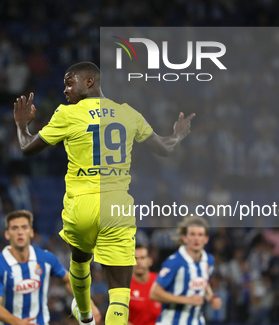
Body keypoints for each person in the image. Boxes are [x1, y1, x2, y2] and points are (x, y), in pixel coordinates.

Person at [14, 62, 195, 325]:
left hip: (82, 204)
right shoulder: (128, 113)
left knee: (80, 257)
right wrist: (177, 136)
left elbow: (28, 148)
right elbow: (165, 148)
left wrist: (21, 125)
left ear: (89, 82)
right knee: (120, 292)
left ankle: (85, 315)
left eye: (69, 82)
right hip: (117, 206)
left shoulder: (67, 114)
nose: (65, 90)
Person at [0, 210, 100, 325]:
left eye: (24, 227)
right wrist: (17, 322)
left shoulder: (46, 258)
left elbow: (69, 280)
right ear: (7, 234)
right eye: (15, 228)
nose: (20, 232)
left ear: (31, 232)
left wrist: (87, 304)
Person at [150, 217, 222, 325]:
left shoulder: (209, 260)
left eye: (200, 235)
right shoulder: (175, 262)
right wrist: (188, 300)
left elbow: (203, 281)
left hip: (197, 322)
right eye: (192, 234)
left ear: (206, 239)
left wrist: (211, 298)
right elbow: (154, 293)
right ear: (185, 238)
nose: (196, 239)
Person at [128, 245, 161, 325]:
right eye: (135, 258)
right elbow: (121, 318)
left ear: (150, 261)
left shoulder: (160, 282)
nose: (138, 262)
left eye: (142, 258)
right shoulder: (125, 286)